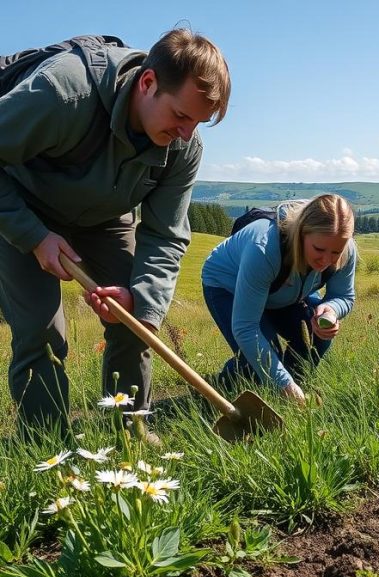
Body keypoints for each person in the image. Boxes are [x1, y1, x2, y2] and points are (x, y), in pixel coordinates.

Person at [0, 29, 230, 438]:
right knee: (41, 329)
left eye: (198, 123)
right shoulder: (63, 93)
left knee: (137, 315)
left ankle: (129, 434)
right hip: (21, 205)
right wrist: (33, 235)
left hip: (105, 216)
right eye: (180, 116)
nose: (186, 134)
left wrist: (146, 302)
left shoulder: (183, 147)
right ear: (147, 83)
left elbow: (165, 235)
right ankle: (47, 447)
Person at [201, 194, 357, 402]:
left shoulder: (345, 249)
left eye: (336, 252)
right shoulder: (264, 248)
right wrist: (283, 383)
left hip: (283, 292)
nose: (327, 260)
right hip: (227, 286)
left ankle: (286, 395)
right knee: (259, 359)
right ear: (301, 233)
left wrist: (331, 309)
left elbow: (343, 295)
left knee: (315, 337)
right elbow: (246, 328)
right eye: (319, 249)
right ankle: (220, 389)